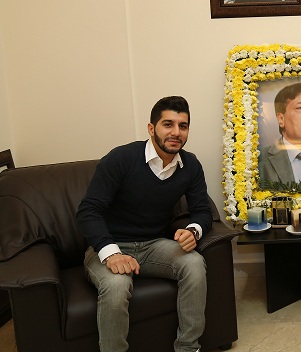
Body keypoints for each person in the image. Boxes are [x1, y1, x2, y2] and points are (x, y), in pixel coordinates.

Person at [77, 96, 212, 352]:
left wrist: (193, 230)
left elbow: (203, 211)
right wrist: (111, 253)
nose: (176, 132)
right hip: (109, 246)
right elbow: (88, 210)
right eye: (168, 124)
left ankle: (188, 348)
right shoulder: (121, 158)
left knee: (194, 263)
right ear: (151, 128)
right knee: (117, 285)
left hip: (153, 245)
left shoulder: (190, 165)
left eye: (183, 126)